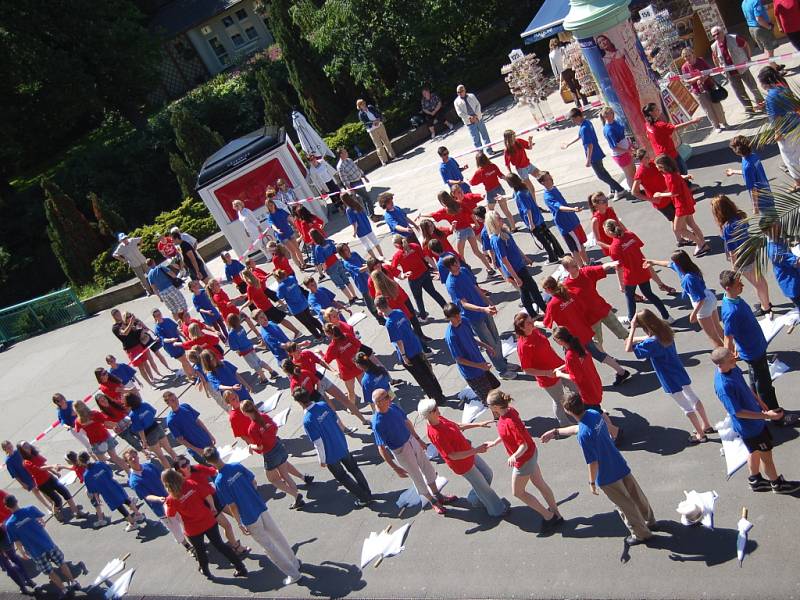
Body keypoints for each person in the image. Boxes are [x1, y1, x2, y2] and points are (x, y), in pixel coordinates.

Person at [541, 393, 658, 546]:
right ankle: (650, 520)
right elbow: (579, 428)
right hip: (619, 463)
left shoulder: (584, 435)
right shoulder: (594, 414)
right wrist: (556, 432)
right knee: (637, 494)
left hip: (607, 475)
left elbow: (593, 462)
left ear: (568, 411)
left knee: (624, 505)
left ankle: (641, 534)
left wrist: (591, 482)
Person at [205, 447, 302, 586]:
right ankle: (294, 563)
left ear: (209, 462)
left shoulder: (219, 481)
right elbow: (254, 482)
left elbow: (232, 505)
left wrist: (239, 522)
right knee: (277, 536)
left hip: (248, 516)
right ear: (219, 454)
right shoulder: (236, 466)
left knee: (269, 546)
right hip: (259, 506)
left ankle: (293, 574)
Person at [712, 347, 800, 493]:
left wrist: (759, 401)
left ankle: (755, 480)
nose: (735, 358)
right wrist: (767, 416)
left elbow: (745, 387)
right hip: (750, 428)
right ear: (720, 364)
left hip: (756, 421)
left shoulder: (732, 368)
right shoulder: (724, 387)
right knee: (766, 456)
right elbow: (738, 412)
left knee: (754, 450)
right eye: (731, 358)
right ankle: (777, 484)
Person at [718, 270, 795, 427]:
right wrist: (729, 361)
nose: (742, 285)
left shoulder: (734, 300)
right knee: (765, 385)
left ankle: (758, 406)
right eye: (738, 284)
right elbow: (728, 336)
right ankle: (777, 416)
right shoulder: (731, 311)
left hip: (755, 347)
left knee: (756, 381)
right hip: (753, 351)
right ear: (727, 287)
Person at [626, 309, 715, 443]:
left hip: (667, 375)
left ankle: (700, 435)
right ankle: (706, 425)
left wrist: (632, 330)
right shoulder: (665, 330)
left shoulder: (651, 344)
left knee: (685, 406)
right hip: (678, 369)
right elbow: (651, 338)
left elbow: (628, 348)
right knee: (691, 396)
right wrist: (638, 338)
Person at [485, 390, 563, 531]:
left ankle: (549, 517)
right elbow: (509, 435)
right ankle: (556, 513)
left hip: (524, 460)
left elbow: (523, 445)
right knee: (540, 484)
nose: (488, 407)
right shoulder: (509, 412)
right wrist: (495, 442)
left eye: (488, 404)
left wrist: (514, 456)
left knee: (518, 492)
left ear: (496, 406)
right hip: (531, 455)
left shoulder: (509, 421)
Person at [418, 398, 508, 517]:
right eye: (434, 409)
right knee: (483, 487)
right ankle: (498, 510)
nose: (438, 410)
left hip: (468, 452)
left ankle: (474, 499)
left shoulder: (438, 418)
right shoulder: (436, 433)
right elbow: (452, 455)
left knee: (487, 474)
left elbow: (457, 426)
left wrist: (478, 424)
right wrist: (476, 450)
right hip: (462, 463)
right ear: (428, 415)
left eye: (436, 407)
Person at [371, 389, 452, 513]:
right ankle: (433, 501)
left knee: (427, 467)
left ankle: (438, 495)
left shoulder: (393, 407)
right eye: (387, 397)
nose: (390, 398)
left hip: (411, 440)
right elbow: (381, 448)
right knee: (416, 476)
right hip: (400, 450)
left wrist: (417, 439)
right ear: (379, 402)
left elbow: (407, 422)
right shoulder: (377, 422)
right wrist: (395, 467)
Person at [540, 276, 632, 385]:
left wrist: (534, 323)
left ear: (547, 289)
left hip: (570, 337)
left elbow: (546, 324)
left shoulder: (552, 305)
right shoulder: (569, 293)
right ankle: (620, 371)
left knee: (575, 360)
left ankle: (584, 382)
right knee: (597, 354)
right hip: (584, 331)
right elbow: (582, 307)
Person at [158, 468, 248, 579]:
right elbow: (207, 494)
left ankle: (205, 571)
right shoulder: (190, 484)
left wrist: (166, 505)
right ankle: (240, 567)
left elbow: (170, 515)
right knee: (220, 545)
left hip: (192, 529)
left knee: (200, 551)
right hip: (208, 520)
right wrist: (212, 507)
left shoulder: (171, 499)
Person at [294, 387, 373, 507]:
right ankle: (367, 492)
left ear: (299, 402)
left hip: (330, 454)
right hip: (341, 444)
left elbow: (318, 442)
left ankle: (363, 497)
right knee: (355, 469)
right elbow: (337, 421)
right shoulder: (323, 405)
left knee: (343, 477)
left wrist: (322, 459)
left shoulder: (307, 420)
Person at [442, 254, 513, 377]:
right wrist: (483, 309)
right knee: (490, 343)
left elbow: (475, 287)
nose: (457, 265)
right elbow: (463, 304)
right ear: (449, 267)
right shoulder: (451, 284)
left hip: (484, 310)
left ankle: (503, 362)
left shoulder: (464, 271)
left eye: (457, 262)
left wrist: (488, 302)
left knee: (496, 338)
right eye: (454, 264)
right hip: (474, 317)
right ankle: (502, 370)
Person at [240, 399, 312, 510]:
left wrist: (250, 446)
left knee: (273, 479)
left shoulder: (252, 428)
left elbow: (260, 447)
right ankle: (298, 493)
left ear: (244, 413)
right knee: (284, 472)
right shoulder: (264, 416)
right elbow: (275, 428)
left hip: (269, 454)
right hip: (278, 446)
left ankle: (296, 495)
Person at [551, 327, 620, 440]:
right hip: (594, 382)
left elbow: (575, 377)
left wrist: (559, 374)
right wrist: (562, 367)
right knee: (598, 410)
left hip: (587, 390)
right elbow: (575, 364)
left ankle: (615, 433)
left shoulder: (569, 355)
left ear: (560, 340)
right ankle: (613, 433)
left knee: (594, 415)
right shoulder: (578, 346)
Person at [4, 495, 79, 597]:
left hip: (35, 552)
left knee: (50, 572)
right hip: (47, 543)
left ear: (7, 507)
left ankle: (64, 590)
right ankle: (73, 582)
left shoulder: (9, 524)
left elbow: (17, 541)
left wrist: (22, 552)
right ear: (17, 501)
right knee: (62, 563)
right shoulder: (30, 509)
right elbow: (42, 521)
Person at [644, 250, 723, 347]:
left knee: (712, 336)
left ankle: (725, 357)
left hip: (703, 305)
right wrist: (653, 262)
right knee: (718, 328)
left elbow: (700, 298)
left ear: (678, 263)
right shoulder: (689, 268)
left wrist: (693, 314)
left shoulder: (688, 279)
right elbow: (668, 264)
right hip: (710, 298)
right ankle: (731, 348)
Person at [711, 194, 773, 316]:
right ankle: (764, 302)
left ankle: (766, 306)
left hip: (742, 257)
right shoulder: (739, 216)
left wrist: (734, 268)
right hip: (750, 250)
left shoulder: (727, 227)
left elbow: (732, 250)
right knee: (759, 281)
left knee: (758, 283)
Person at [375, 296, 444, 404]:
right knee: (428, 371)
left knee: (421, 377)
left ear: (380, 308)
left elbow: (399, 341)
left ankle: (434, 398)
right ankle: (439, 394)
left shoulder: (389, 324)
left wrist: (403, 356)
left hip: (408, 352)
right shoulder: (399, 312)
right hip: (415, 345)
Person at [604, 220, 671, 324]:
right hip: (642, 269)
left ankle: (631, 319)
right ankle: (667, 317)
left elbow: (619, 267)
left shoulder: (614, 247)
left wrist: (621, 283)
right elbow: (639, 246)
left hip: (630, 276)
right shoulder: (630, 234)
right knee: (649, 294)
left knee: (629, 296)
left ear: (608, 231)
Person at [123, 449, 191, 551]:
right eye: (130, 459)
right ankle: (188, 547)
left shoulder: (149, 466)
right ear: (127, 463)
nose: (134, 459)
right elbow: (146, 496)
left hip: (173, 500)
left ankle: (195, 540)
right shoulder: (134, 481)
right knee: (176, 530)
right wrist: (159, 499)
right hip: (161, 509)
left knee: (185, 522)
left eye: (134, 456)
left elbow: (163, 478)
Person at [514, 312, 573, 425]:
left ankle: (584, 410)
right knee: (559, 400)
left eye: (531, 320)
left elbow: (547, 347)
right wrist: (546, 373)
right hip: (548, 377)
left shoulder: (535, 330)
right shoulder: (523, 346)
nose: (532, 323)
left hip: (559, 366)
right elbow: (526, 369)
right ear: (521, 328)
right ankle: (564, 422)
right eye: (528, 323)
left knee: (576, 388)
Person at [485, 210, 547, 317]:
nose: (501, 219)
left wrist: (525, 258)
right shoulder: (496, 239)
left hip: (519, 265)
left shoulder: (504, 231)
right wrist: (515, 277)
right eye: (498, 218)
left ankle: (533, 314)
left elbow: (515, 247)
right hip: (515, 270)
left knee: (526, 291)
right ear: (494, 222)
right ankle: (545, 310)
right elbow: (504, 260)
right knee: (532, 289)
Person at [420, 188, 495, 275]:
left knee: (460, 256)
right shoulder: (459, 203)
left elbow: (432, 215)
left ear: (441, 200)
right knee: (476, 251)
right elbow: (471, 213)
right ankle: (490, 269)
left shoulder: (445, 210)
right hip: (469, 229)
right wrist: (476, 223)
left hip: (460, 233)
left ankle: (467, 272)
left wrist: (421, 215)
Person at [560, 256, 628, 349]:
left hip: (602, 309)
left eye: (576, 264)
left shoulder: (585, 272)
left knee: (622, 332)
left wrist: (612, 264)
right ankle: (606, 358)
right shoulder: (566, 286)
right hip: (590, 318)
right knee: (598, 342)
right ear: (567, 269)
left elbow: (602, 267)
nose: (577, 267)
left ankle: (636, 348)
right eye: (573, 266)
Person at [595, 34, 648, 149]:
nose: (603, 42)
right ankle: (642, 139)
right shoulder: (603, 61)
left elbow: (633, 66)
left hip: (631, 84)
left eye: (604, 39)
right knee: (632, 114)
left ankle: (647, 132)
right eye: (599, 42)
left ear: (608, 40)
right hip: (620, 90)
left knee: (640, 107)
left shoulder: (621, 52)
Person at [444, 302, 504, 401]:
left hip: (481, 365)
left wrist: (487, 346)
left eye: (458, 314)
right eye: (454, 317)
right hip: (472, 373)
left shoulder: (464, 321)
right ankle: (497, 416)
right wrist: (479, 366)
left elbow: (471, 339)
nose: (458, 318)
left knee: (494, 393)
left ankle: (499, 415)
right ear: (448, 318)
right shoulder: (451, 336)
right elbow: (459, 359)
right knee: (489, 400)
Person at [562, 107, 625, 199]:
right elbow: (579, 135)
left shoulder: (584, 128)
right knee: (603, 172)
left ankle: (619, 189)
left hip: (594, 155)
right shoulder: (586, 123)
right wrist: (568, 143)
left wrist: (588, 160)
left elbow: (589, 145)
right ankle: (613, 188)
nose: (572, 121)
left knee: (601, 175)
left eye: (573, 119)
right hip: (597, 152)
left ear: (578, 117)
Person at [653, 154, 709, 256]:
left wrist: (660, 194)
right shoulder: (672, 173)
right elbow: (678, 177)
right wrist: (685, 176)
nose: (657, 168)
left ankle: (700, 244)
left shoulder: (670, 177)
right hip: (686, 201)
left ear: (663, 166)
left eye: (658, 166)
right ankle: (702, 242)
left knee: (678, 229)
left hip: (681, 204)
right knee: (692, 224)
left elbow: (675, 193)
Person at [17, 443, 85, 522]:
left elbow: (43, 464)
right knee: (57, 500)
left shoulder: (35, 455)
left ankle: (76, 512)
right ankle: (55, 512)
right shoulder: (26, 462)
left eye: (26, 444)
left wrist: (54, 472)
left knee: (65, 492)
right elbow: (39, 468)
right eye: (24, 446)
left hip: (50, 478)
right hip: (42, 484)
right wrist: (52, 466)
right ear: (22, 450)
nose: (26, 446)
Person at [759, 66, 800, 191]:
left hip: (786, 130)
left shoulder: (771, 97)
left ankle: (798, 182)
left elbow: (775, 118)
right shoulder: (783, 87)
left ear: (765, 82)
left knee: (789, 157)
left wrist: (777, 133)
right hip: (796, 123)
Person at [505, 173, 563, 263]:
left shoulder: (519, 193)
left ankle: (553, 257)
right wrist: (503, 197)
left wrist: (531, 223)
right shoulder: (523, 188)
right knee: (548, 235)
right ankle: (559, 252)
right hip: (538, 217)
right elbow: (514, 196)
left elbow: (527, 209)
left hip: (533, 220)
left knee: (543, 240)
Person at [631, 148, 684, 244]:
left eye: (648, 155)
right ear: (641, 160)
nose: (649, 158)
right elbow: (634, 192)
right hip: (660, 201)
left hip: (668, 194)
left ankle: (683, 233)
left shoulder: (652, 164)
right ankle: (679, 239)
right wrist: (650, 199)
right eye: (646, 157)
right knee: (673, 219)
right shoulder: (640, 173)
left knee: (678, 216)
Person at [81, 453, 146, 531]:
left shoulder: (87, 475)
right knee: (126, 499)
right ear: (89, 457)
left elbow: (91, 488)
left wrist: (97, 496)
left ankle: (132, 523)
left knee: (120, 507)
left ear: (81, 462)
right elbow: (109, 472)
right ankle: (138, 514)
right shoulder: (100, 463)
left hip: (106, 492)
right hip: (114, 484)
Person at [710, 26, 765, 115]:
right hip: (730, 73)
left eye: (718, 33)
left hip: (743, 68)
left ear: (723, 32)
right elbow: (714, 57)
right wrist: (720, 69)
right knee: (740, 92)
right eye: (714, 35)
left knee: (753, 87)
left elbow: (745, 45)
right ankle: (749, 109)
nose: (716, 36)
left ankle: (762, 105)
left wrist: (748, 57)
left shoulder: (733, 38)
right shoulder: (714, 46)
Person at [390, 235, 446, 321]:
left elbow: (392, 268)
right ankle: (447, 309)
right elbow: (426, 257)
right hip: (424, 273)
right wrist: (436, 267)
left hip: (413, 278)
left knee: (418, 298)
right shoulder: (414, 246)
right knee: (433, 292)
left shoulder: (397, 255)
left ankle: (423, 317)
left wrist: (402, 275)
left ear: (397, 245)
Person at [539, 171, 588, 266]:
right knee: (577, 248)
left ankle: (586, 263)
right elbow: (560, 207)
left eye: (550, 177)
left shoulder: (554, 189)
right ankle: (583, 266)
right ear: (542, 183)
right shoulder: (548, 196)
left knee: (580, 244)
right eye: (548, 179)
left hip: (573, 220)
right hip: (567, 225)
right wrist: (573, 209)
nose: (551, 180)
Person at [642, 102, 702, 175]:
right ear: (651, 113)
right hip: (669, 153)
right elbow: (675, 128)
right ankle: (687, 185)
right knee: (682, 171)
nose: (659, 111)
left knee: (673, 173)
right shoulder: (659, 125)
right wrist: (693, 121)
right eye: (656, 110)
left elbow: (648, 135)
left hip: (660, 154)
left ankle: (685, 184)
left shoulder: (647, 125)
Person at [680, 47, 729, 132]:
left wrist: (704, 78)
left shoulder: (700, 60)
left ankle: (724, 123)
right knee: (707, 109)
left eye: (689, 55)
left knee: (717, 106)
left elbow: (709, 71)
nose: (688, 58)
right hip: (698, 91)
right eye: (685, 56)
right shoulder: (684, 67)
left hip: (709, 86)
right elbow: (687, 81)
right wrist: (698, 78)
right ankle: (716, 126)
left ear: (693, 54)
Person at [124, 392, 177, 468]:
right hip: (157, 427)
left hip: (149, 434)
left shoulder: (133, 415)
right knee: (169, 449)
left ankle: (170, 472)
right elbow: (154, 412)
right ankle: (180, 465)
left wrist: (144, 441)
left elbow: (140, 429)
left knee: (160, 456)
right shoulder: (145, 405)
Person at [71, 401, 127, 471]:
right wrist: (116, 425)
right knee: (115, 457)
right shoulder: (95, 413)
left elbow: (77, 430)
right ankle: (128, 471)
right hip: (106, 437)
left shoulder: (78, 421)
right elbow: (106, 422)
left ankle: (108, 477)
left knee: (102, 462)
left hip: (95, 442)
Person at [725, 135, 773, 217]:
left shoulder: (746, 166)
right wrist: (733, 171)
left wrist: (755, 207)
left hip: (761, 199)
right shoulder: (753, 156)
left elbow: (753, 189)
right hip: (767, 191)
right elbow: (750, 172)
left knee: (769, 221)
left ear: (737, 151)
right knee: (772, 216)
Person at [111, 308, 160, 386]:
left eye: (119, 314)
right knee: (141, 367)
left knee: (146, 363)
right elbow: (125, 333)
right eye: (117, 315)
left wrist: (137, 324)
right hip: (130, 349)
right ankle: (150, 384)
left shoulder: (125, 322)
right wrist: (130, 322)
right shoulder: (115, 327)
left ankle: (152, 378)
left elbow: (134, 329)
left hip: (138, 344)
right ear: (113, 317)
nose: (119, 316)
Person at [163, 392, 215, 463]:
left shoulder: (185, 406)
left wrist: (210, 435)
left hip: (206, 440)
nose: (176, 401)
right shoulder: (171, 420)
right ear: (168, 404)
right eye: (172, 400)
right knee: (211, 468)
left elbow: (198, 421)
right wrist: (196, 450)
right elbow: (180, 439)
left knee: (218, 460)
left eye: (176, 398)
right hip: (197, 449)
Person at [227, 313, 278, 383]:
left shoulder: (231, 334)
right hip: (250, 346)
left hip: (244, 351)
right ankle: (272, 371)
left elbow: (233, 346)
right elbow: (244, 334)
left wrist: (238, 351)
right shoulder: (240, 327)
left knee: (255, 365)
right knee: (258, 361)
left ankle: (264, 379)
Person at [275, 269, 325, 338]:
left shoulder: (280, 287)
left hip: (295, 309)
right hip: (303, 303)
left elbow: (280, 296)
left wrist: (279, 284)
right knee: (311, 318)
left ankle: (318, 337)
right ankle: (323, 330)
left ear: (277, 278)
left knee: (307, 323)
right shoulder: (292, 278)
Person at [471, 152, 516, 228]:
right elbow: (501, 175)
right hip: (499, 190)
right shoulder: (493, 166)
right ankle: (513, 227)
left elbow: (472, 183)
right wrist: (511, 181)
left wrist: (469, 180)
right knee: (506, 210)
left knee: (489, 212)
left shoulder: (479, 172)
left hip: (490, 192)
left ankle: (495, 227)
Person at [152, 308, 193, 377]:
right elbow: (163, 340)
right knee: (184, 361)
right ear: (155, 317)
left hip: (179, 342)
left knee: (185, 360)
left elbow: (176, 330)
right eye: (157, 315)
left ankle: (190, 374)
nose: (159, 316)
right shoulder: (157, 328)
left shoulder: (168, 320)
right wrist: (171, 340)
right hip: (171, 347)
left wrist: (184, 336)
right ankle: (192, 374)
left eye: (159, 314)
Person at [600, 106, 635, 189]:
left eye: (612, 112)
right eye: (610, 113)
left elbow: (623, 136)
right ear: (605, 116)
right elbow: (614, 147)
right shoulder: (608, 130)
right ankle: (635, 192)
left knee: (633, 172)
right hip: (620, 155)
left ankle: (636, 190)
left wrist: (629, 144)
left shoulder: (615, 122)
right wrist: (627, 150)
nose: (613, 114)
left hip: (626, 151)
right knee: (629, 175)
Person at [265, 198, 305, 270]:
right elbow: (272, 225)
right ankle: (299, 266)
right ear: (267, 207)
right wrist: (277, 230)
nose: (271, 206)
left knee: (297, 249)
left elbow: (289, 218)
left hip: (289, 231)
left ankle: (303, 264)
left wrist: (297, 226)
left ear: (274, 204)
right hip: (282, 235)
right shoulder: (270, 216)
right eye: (269, 206)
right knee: (292, 251)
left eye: (271, 204)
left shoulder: (280, 211)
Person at [742, 0, 782, 70]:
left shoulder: (744, 2)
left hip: (752, 28)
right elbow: (759, 19)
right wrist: (768, 27)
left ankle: (774, 65)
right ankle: (775, 69)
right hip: (761, 28)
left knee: (765, 48)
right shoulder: (755, 1)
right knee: (770, 49)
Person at [766, 230, 800, 311]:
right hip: (793, 284)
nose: (780, 225)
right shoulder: (776, 251)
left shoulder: (777, 239)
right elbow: (797, 262)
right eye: (776, 225)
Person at [502, 129, 541, 202]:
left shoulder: (518, 141)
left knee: (542, 176)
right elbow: (507, 164)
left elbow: (529, 147)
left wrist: (530, 140)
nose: (515, 136)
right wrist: (510, 174)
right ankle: (535, 206)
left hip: (528, 165)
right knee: (531, 188)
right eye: (513, 135)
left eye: (514, 135)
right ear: (509, 138)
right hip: (521, 169)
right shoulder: (507, 150)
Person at [549, 38, 588, 109]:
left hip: (563, 72)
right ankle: (585, 102)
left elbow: (553, 67)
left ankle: (577, 104)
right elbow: (570, 58)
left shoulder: (551, 55)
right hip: (570, 68)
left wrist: (556, 76)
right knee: (578, 84)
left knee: (572, 88)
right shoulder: (563, 49)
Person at [342, 192, 382, 260]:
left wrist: (354, 232)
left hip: (360, 230)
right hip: (366, 225)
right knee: (375, 241)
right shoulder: (357, 204)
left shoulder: (348, 210)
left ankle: (375, 259)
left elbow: (354, 222)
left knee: (366, 245)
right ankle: (381, 255)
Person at [454, 84, 493, 152]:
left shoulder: (471, 96)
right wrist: (469, 117)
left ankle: (490, 150)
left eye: (461, 91)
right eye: (458, 92)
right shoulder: (456, 102)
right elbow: (459, 113)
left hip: (478, 118)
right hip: (469, 122)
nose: (460, 93)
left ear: (465, 90)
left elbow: (478, 105)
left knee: (485, 135)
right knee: (476, 139)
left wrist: (476, 115)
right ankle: (481, 155)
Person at [357, 99, 395, 165]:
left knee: (386, 141)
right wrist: (373, 123)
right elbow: (364, 123)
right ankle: (384, 161)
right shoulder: (360, 114)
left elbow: (379, 113)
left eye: (363, 102)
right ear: (359, 106)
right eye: (361, 104)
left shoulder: (370, 107)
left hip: (380, 126)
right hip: (372, 130)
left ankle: (392, 156)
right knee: (379, 146)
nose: (363, 104)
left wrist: (378, 119)